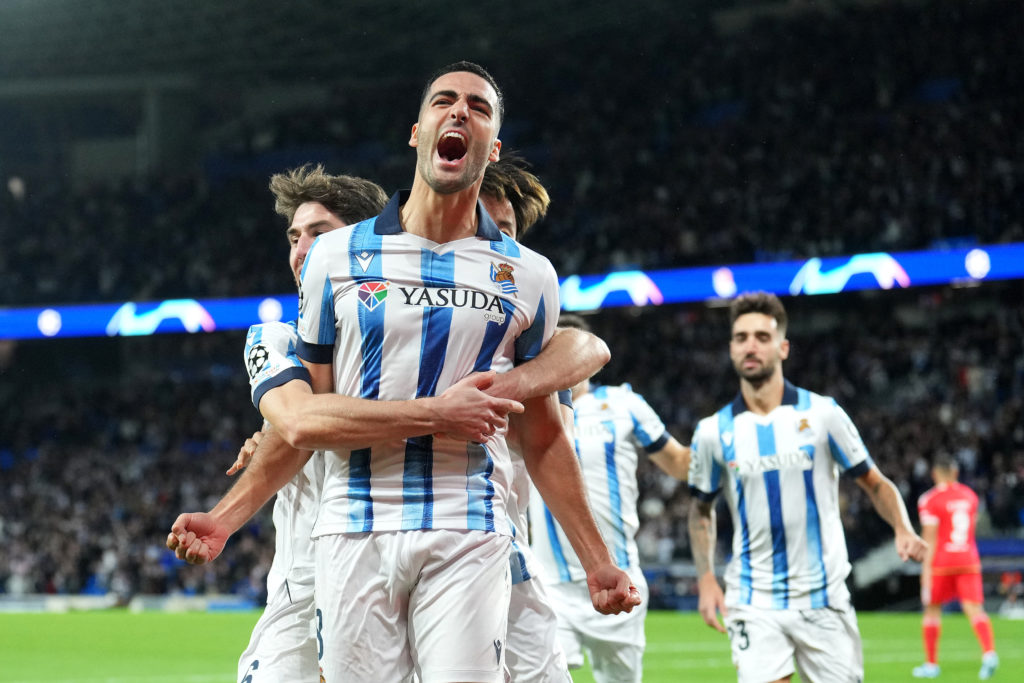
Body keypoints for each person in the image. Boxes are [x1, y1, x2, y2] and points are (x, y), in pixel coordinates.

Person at [231, 61, 635, 683]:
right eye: (443, 101)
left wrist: (597, 560)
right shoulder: (335, 266)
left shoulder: (528, 275)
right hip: (347, 529)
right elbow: (303, 419)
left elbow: (558, 406)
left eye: (478, 107)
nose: (459, 111)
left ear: (491, 145)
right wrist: (226, 514)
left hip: (471, 523)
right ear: (415, 131)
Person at [168, 161, 612, 682]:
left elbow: (586, 347)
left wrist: (508, 386)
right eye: (295, 236)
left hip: (482, 555)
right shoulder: (280, 339)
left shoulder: (502, 343)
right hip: (325, 570)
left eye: (319, 234)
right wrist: (438, 412)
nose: (302, 250)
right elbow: (298, 425)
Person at [688, 291, 927, 683]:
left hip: (824, 597)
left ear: (783, 348)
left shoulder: (823, 415)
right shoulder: (712, 432)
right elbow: (700, 509)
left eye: (762, 338)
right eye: (741, 337)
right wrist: (706, 579)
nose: (751, 346)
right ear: (731, 348)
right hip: (753, 600)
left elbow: (874, 482)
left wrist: (902, 526)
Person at [528, 312, 690, 683]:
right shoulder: (531, 408)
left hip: (618, 577)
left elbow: (679, 462)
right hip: (547, 582)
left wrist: (720, 450)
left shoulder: (623, 404)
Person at [913, 455, 999, 680]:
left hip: (942, 562)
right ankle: (989, 653)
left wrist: (925, 573)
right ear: (955, 472)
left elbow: (929, 539)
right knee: (974, 609)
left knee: (932, 610)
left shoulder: (929, 500)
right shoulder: (970, 496)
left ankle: (931, 665)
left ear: (934, 474)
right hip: (968, 559)